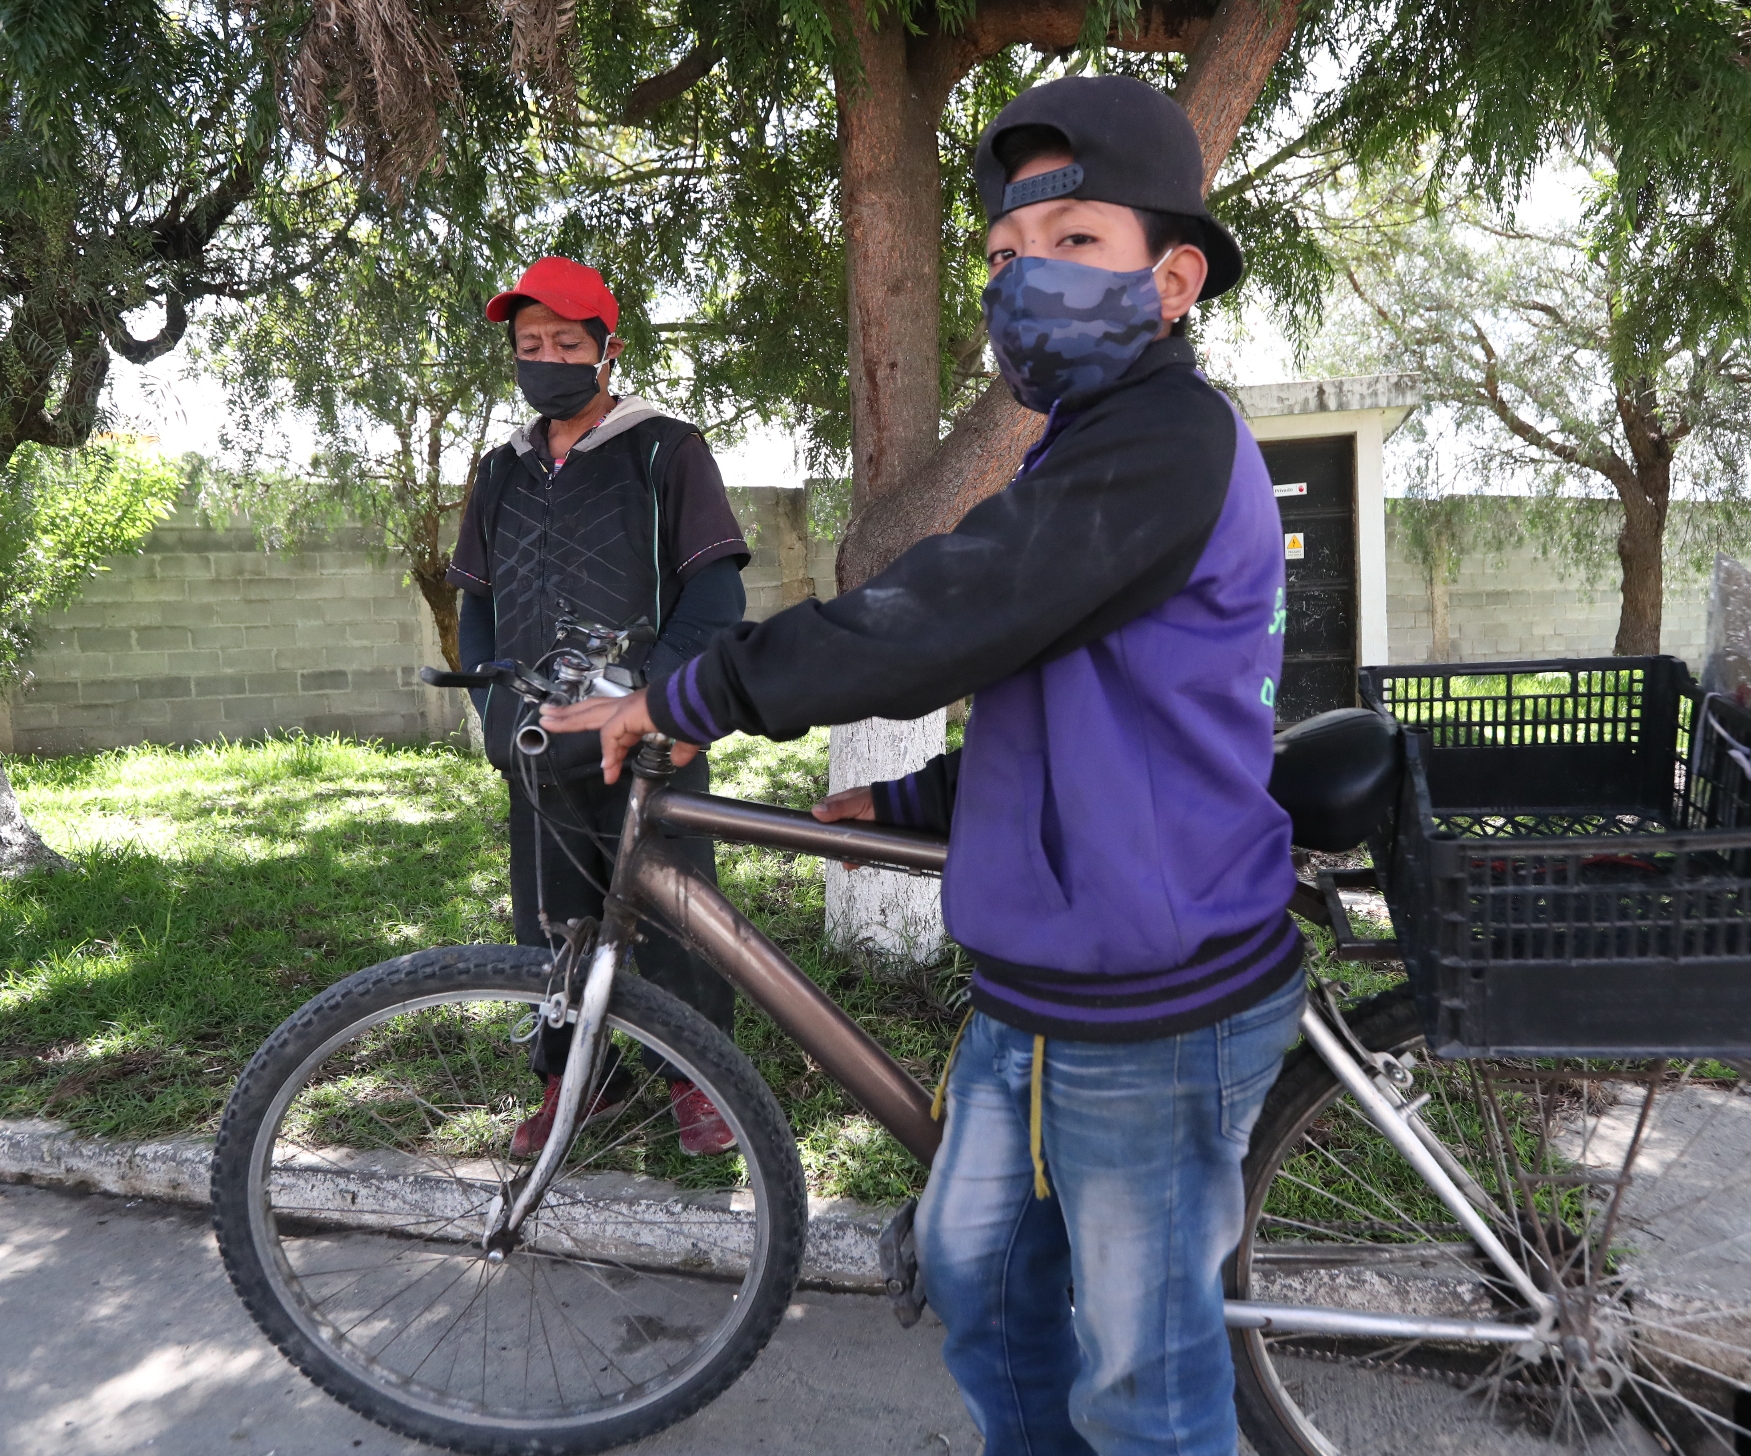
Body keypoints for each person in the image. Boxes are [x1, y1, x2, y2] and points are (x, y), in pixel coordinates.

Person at [550, 76, 1304, 1456]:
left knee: (1146, 1381)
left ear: (1175, 276)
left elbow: (951, 612)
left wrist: (709, 687)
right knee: (976, 1277)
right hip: (1041, 978)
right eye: (1007, 260)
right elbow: (1079, 697)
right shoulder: (1086, 455)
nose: (1027, 281)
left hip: (1155, 992)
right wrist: (917, 802)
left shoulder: (1167, 444)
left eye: (1077, 243)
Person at [449, 255, 751, 1156]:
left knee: (673, 907)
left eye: (566, 342)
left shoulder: (664, 449)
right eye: (529, 343)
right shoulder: (500, 469)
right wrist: (495, 718)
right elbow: (476, 602)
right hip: (538, 740)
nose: (546, 358)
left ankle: (697, 1079)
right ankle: (576, 1084)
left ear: (605, 351)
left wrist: (667, 703)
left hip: (644, 734)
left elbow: (714, 596)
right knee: (550, 919)